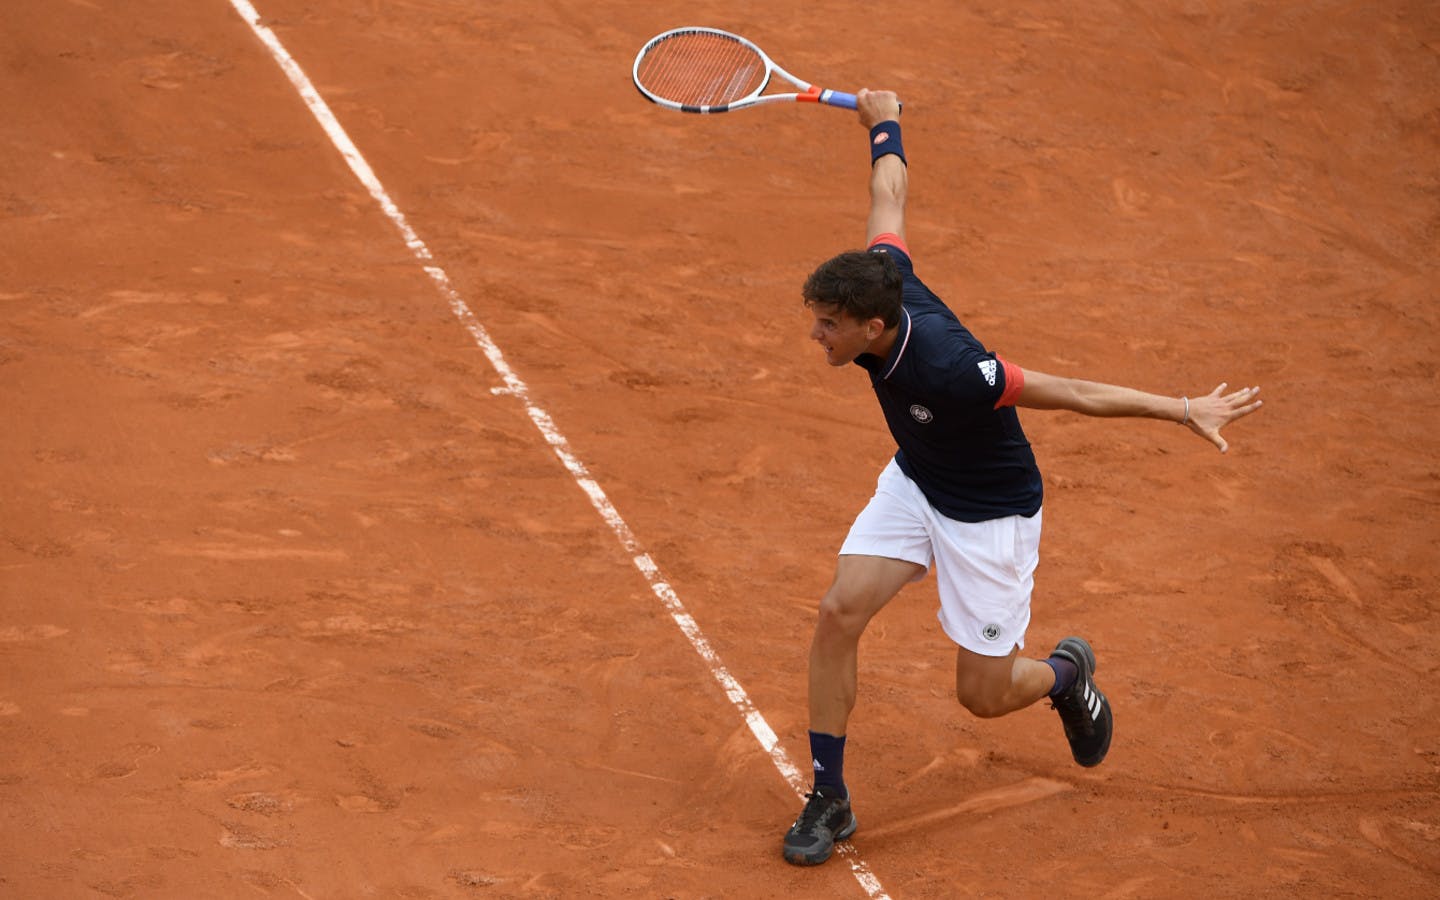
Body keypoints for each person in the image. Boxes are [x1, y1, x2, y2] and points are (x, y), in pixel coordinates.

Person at [781, 89, 1264, 867]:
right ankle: (829, 797)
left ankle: (1067, 674)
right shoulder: (883, 275)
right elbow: (889, 196)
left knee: (983, 695)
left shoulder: (955, 371)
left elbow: (1073, 393)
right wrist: (883, 122)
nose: (816, 335)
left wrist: (1181, 409)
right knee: (839, 613)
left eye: (827, 325)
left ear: (873, 326)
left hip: (989, 516)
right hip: (919, 481)